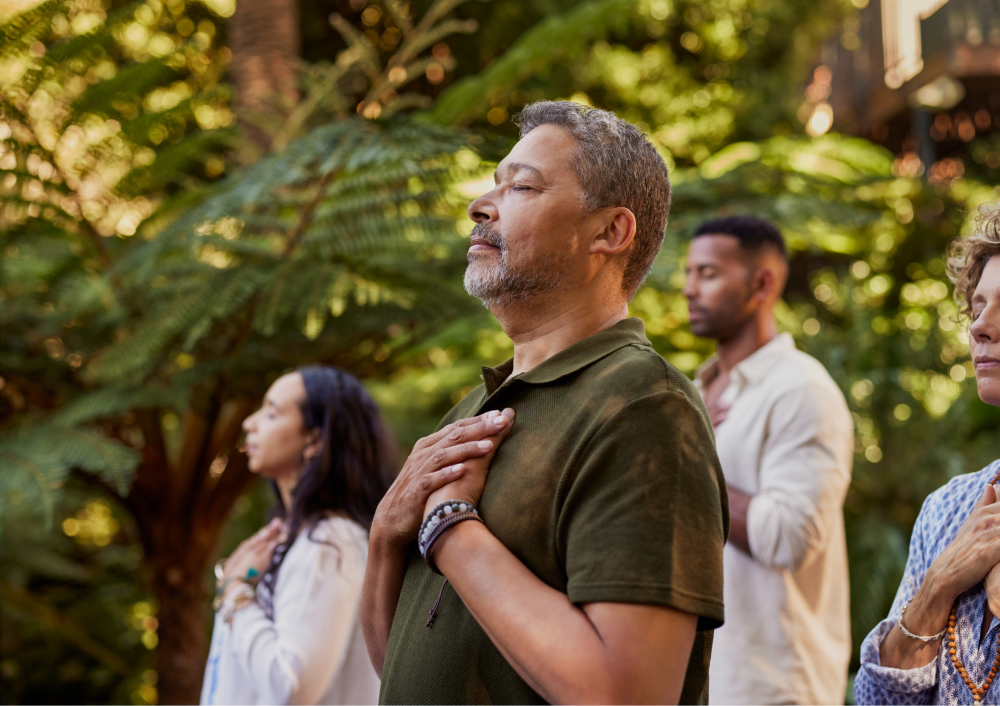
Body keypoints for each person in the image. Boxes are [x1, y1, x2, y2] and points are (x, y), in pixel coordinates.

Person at [361, 101, 729, 705]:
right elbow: (397, 665)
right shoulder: (469, 412)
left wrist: (448, 527)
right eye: (493, 183)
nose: (481, 205)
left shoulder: (643, 406)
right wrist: (386, 533)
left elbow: (626, 694)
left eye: (523, 185)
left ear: (610, 232)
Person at [683, 215, 854, 704]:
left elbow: (789, 536)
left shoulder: (801, 390)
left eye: (709, 273)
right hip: (697, 682)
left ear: (762, 283)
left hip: (773, 688)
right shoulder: (695, 394)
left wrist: (690, 463)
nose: (690, 289)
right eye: (690, 273)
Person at [854, 200, 1000, 705]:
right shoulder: (947, 510)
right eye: (977, 306)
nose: (981, 326)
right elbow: (875, 700)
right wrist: (939, 583)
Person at [201, 365, 393, 705]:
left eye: (272, 413)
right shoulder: (293, 537)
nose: (249, 423)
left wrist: (236, 592)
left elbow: (290, 687)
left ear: (315, 439)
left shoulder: (329, 543)